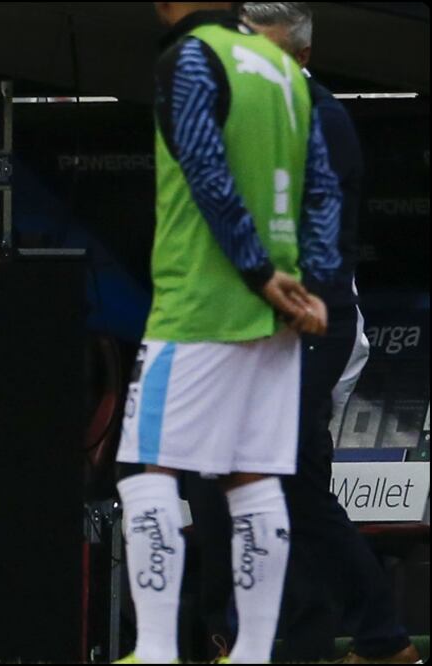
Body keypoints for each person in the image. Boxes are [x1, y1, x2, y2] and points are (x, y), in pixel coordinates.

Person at [183, 3, 420, 663]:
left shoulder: (321, 120)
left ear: (301, 57)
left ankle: (311, 638)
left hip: (309, 322)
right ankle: (356, 642)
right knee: (270, 484)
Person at [113, 3, 341, 663]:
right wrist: (311, 282)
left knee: (147, 467)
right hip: (275, 310)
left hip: (202, 299)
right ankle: (251, 653)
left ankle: (154, 650)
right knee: (252, 476)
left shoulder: (191, 57)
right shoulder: (281, 66)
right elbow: (324, 187)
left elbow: (203, 166)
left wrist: (253, 268)